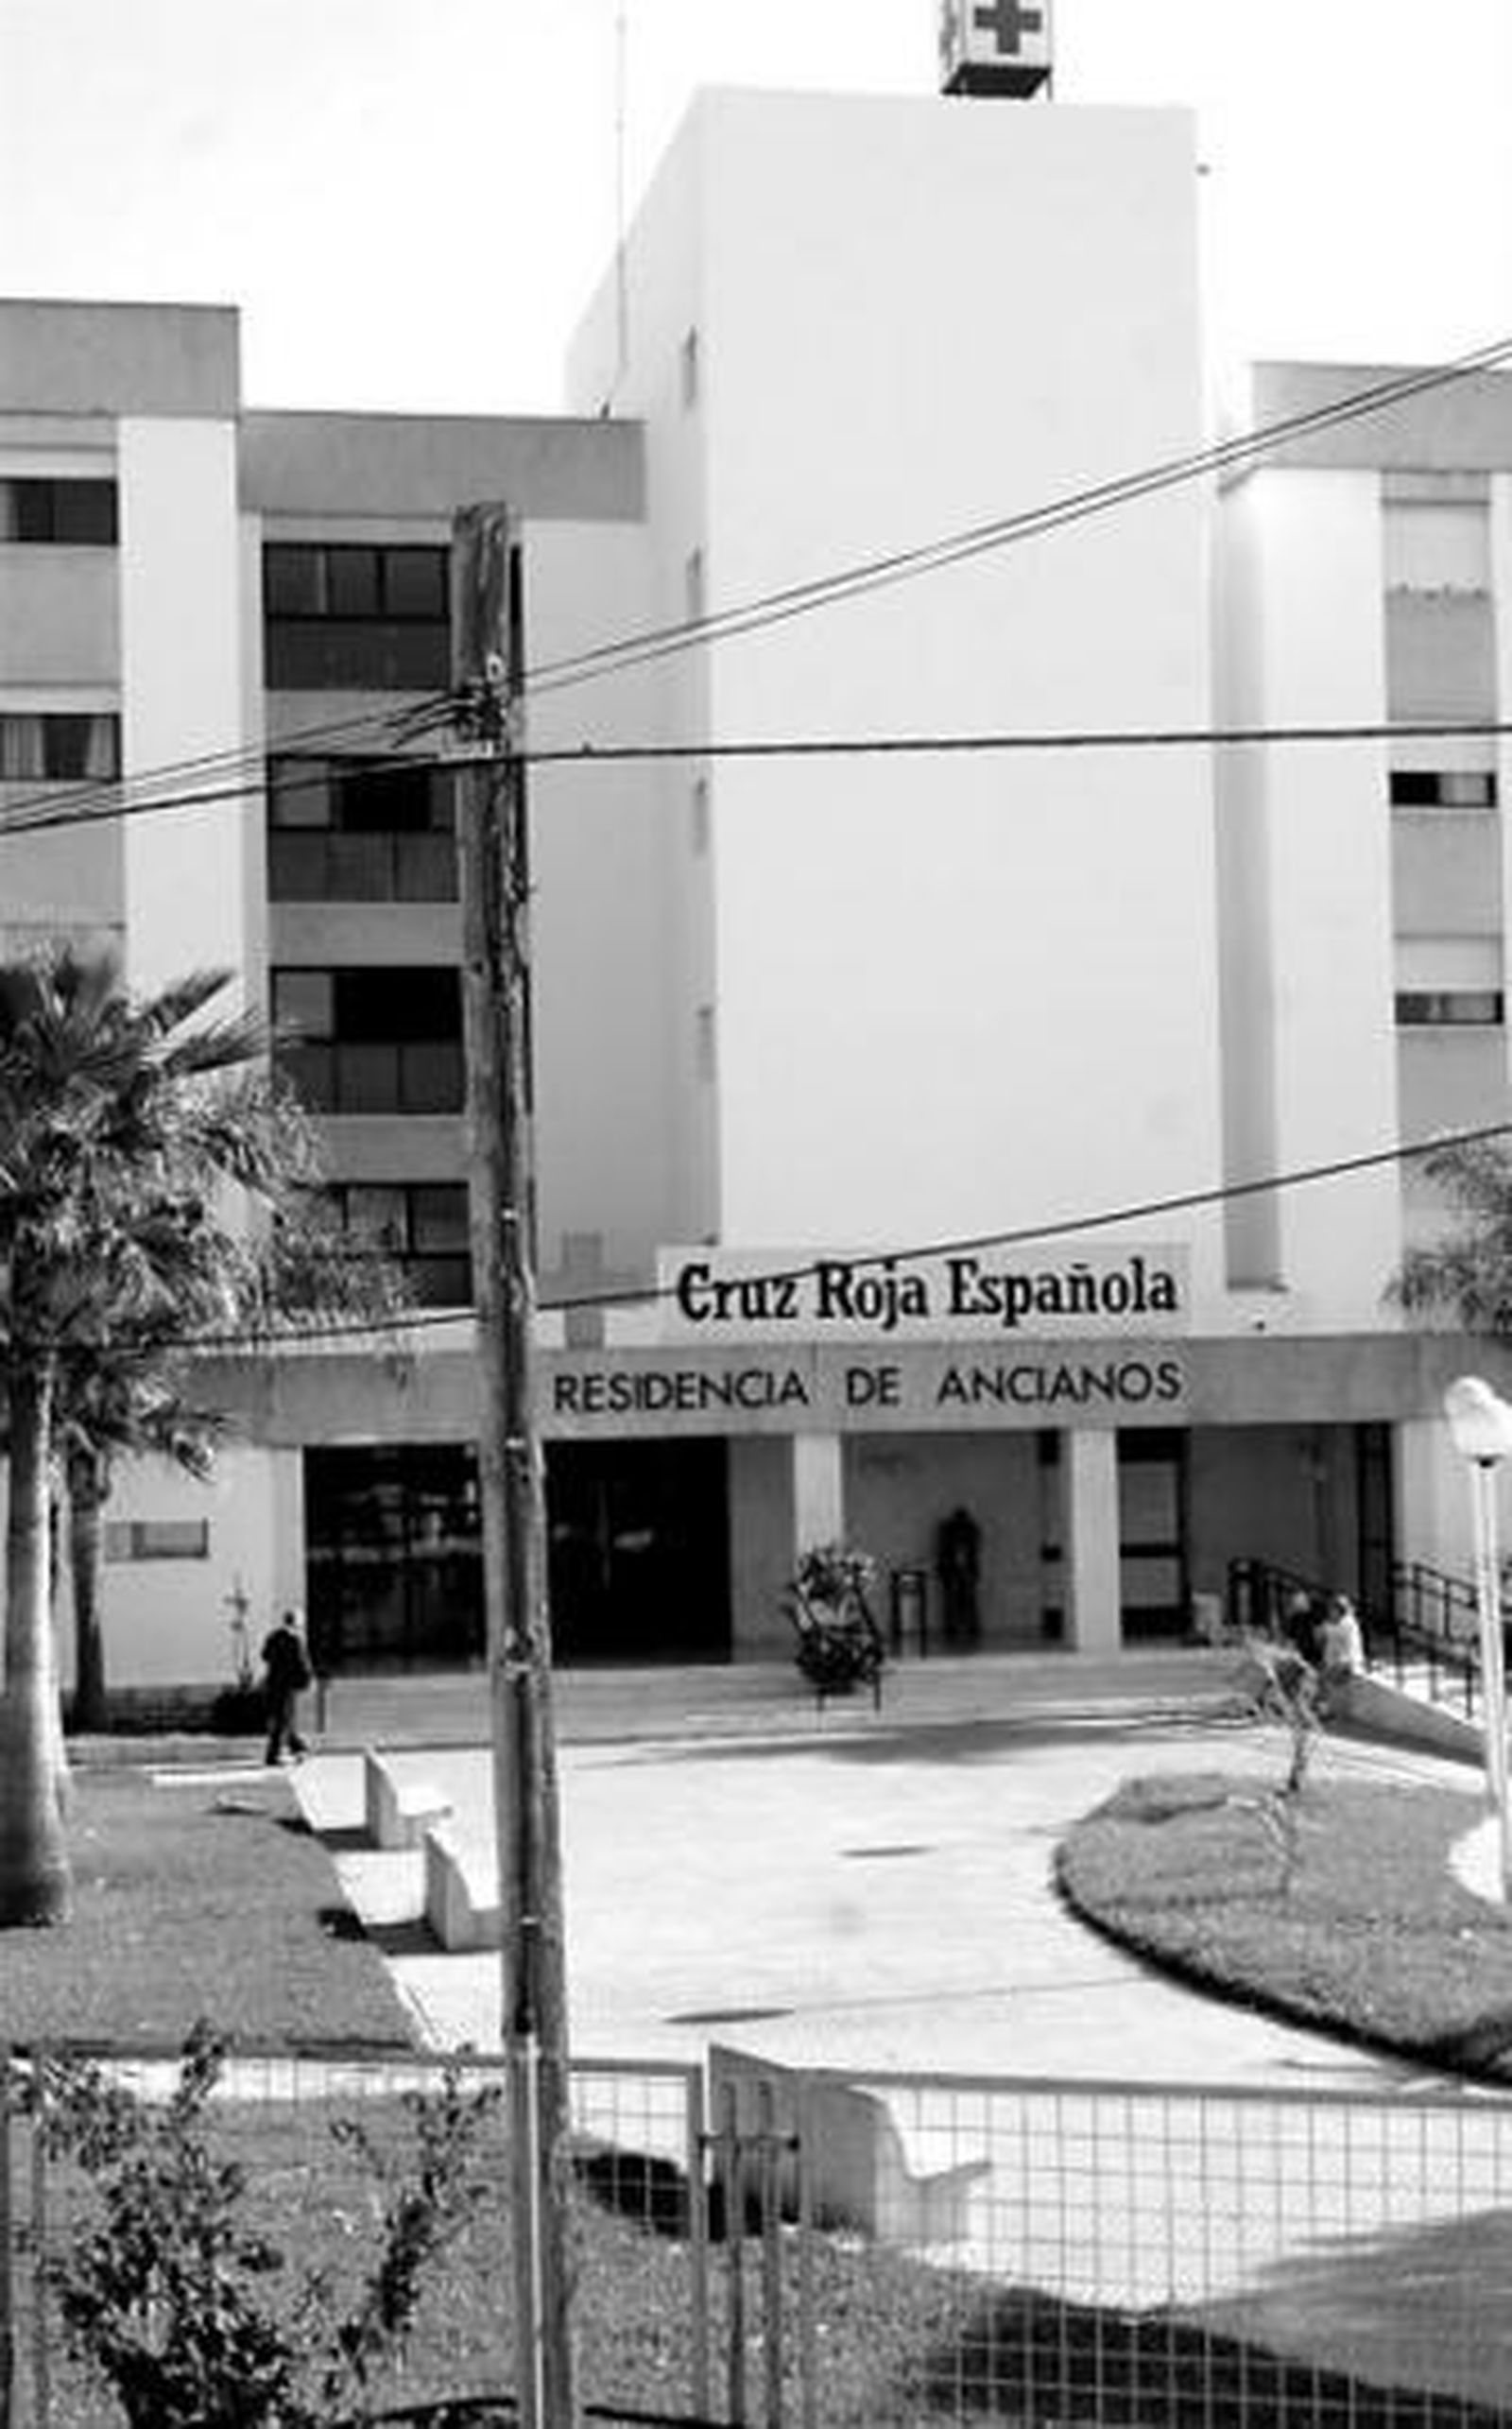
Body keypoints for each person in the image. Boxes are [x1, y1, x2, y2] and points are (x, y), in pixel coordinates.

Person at [261, 1607, 313, 1766]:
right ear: (296, 1622)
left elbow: (264, 1655)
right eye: (301, 1622)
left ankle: (296, 1747)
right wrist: (307, 1680)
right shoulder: (295, 1640)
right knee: (283, 1720)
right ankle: (277, 1754)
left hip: (273, 1684)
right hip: (288, 1686)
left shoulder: (273, 1637)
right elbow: (303, 1664)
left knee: (282, 1719)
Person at [1316, 1593, 1364, 1716]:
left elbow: (1350, 1648)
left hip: (1347, 1663)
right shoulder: (1332, 1623)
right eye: (1330, 1610)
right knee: (1317, 1675)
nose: (1330, 1612)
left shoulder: (1348, 1624)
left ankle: (1324, 1710)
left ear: (1340, 1610)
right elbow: (1323, 1639)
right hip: (1334, 1662)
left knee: (1324, 1679)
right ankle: (1321, 1708)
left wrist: (1341, 1663)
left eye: (1333, 1610)